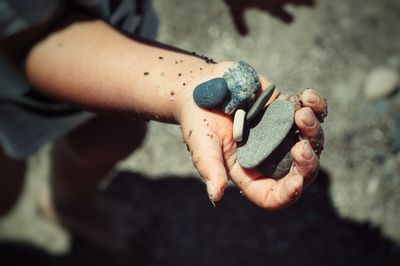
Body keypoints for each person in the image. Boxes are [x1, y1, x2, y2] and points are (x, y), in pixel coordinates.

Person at [0, 0, 327, 229]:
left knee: (113, 139)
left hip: (119, 59)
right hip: (11, 95)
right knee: (4, 196)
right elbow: (36, 37)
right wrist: (185, 84)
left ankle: (67, 207)